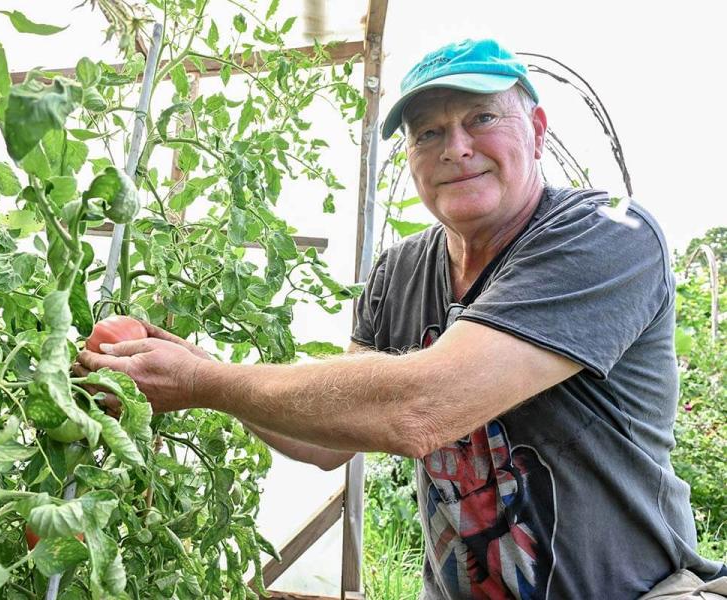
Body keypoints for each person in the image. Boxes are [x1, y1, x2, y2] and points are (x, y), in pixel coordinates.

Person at [76, 38, 727, 600]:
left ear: (536, 128)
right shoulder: (400, 272)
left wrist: (203, 382)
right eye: (429, 132)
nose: (456, 147)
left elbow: (422, 407)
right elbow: (330, 443)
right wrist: (194, 372)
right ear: (411, 156)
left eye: (481, 118)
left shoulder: (602, 238)